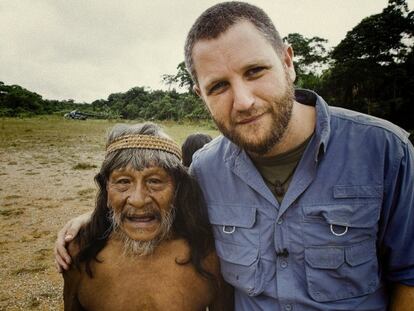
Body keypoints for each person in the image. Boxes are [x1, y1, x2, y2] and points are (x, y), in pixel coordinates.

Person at [56, 2, 414, 310]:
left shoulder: (385, 151)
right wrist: (95, 216)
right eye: (219, 86)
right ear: (201, 94)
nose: (243, 101)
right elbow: (155, 207)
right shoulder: (204, 170)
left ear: (287, 61)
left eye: (255, 71)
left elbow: (409, 276)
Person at [62, 122, 232, 310]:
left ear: (177, 190)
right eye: (123, 181)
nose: (138, 200)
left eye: (155, 181)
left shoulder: (209, 255)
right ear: (106, 190)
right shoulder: (79, 251)